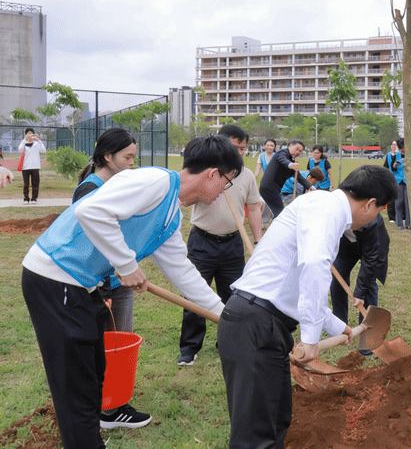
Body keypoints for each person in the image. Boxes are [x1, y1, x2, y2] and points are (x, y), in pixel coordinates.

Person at [20, 134, 243, 449]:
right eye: (226, 183)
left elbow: (182, 270)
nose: (223, 193)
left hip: (84, 284)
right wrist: (127, 266)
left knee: (95, 374)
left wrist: (225, 315)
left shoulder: (171, 215)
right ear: (212, 174)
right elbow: (90, 212)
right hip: (56, 277)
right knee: (77, 386)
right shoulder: (155, 182)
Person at [217, 165, 398, 449]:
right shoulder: (326, 210)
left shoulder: (322, 207)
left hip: (267, 323)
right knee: (254, 436)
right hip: (254, 323)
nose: (373, 218)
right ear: (371, 203)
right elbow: (314, 267)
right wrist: (311, 339)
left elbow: (300, 288)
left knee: (277, 421)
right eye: (378, 212)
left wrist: (340, 327)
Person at [71, 129, 148, 429]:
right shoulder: (90, 189)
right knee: (105, 346)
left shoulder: (114, 184)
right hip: (102, 282)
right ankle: (107, 409)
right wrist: (103, 288)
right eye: (127, 157)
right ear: (108, 157)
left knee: (116, 342)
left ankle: (112, 403)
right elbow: (91, 242)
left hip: (118, 281)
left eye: (133, 156)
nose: (132, 162)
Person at [177, 126, 263, 367]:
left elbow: (254, 207)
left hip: (232, 243)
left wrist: (257, 243)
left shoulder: (245, 175)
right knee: (195, 295)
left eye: (243, 149)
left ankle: (229, 341)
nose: (238, 153)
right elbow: (184, 200)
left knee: (236, 297)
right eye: (235, 147)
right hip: (202, 241)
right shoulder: (203, 171)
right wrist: (211, 187)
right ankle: (189, 348)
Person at [330, 213, 391, 355]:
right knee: (337, 280)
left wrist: (359, 293)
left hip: (373, 245)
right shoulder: (332, 213)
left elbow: (370, 261)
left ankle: (367, 337)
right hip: (347, 244)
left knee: (368, 285)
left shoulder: (370, 221)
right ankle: (339, 328)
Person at [259, 139, 314, 219]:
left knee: (278, 213)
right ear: (290, 146)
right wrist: (290, 165)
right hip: (269, 188)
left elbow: (299, 177)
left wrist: (311, 187)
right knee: (280, 213)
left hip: (274, 190)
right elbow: (283, 160)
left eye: (300, 151)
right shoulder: (282, 153)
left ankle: (276, 227)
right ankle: (277, 228)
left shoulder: (291, 160)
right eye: (297, 149)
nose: (298, 152)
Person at [18, 127, 47, 205]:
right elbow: (20, 149)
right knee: (26, 184)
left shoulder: (37, 143)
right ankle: (26, 198)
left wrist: (39, 140)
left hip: (35, 166)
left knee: (35, 183)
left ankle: (34, 198)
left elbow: (43, 151)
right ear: (26, 134)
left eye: (31, 133)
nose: (30, 135)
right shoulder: (23, 142)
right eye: (28, 133)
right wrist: (25, 140)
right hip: (25, 167)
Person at [389, 138, 410, 230]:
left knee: (408, 203)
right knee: (398, 203)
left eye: (404, 149)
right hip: (398, 181)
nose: (403, 151)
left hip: (408, 181)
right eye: (401, 149)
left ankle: (409, 224)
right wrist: (394, 166)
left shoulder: (410, 155)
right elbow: (392, 169)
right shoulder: (395, 155)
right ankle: (399, 224)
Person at [383, 140, 399, 223]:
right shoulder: (388, 155)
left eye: (395, 144)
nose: (393, 146)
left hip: (399, 178)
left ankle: (400, 216)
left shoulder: (399, 155)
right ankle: (391, 217)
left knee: (399, 198)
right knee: (391, 198)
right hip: (391, 178)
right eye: (392, 144)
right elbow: (385, 166)